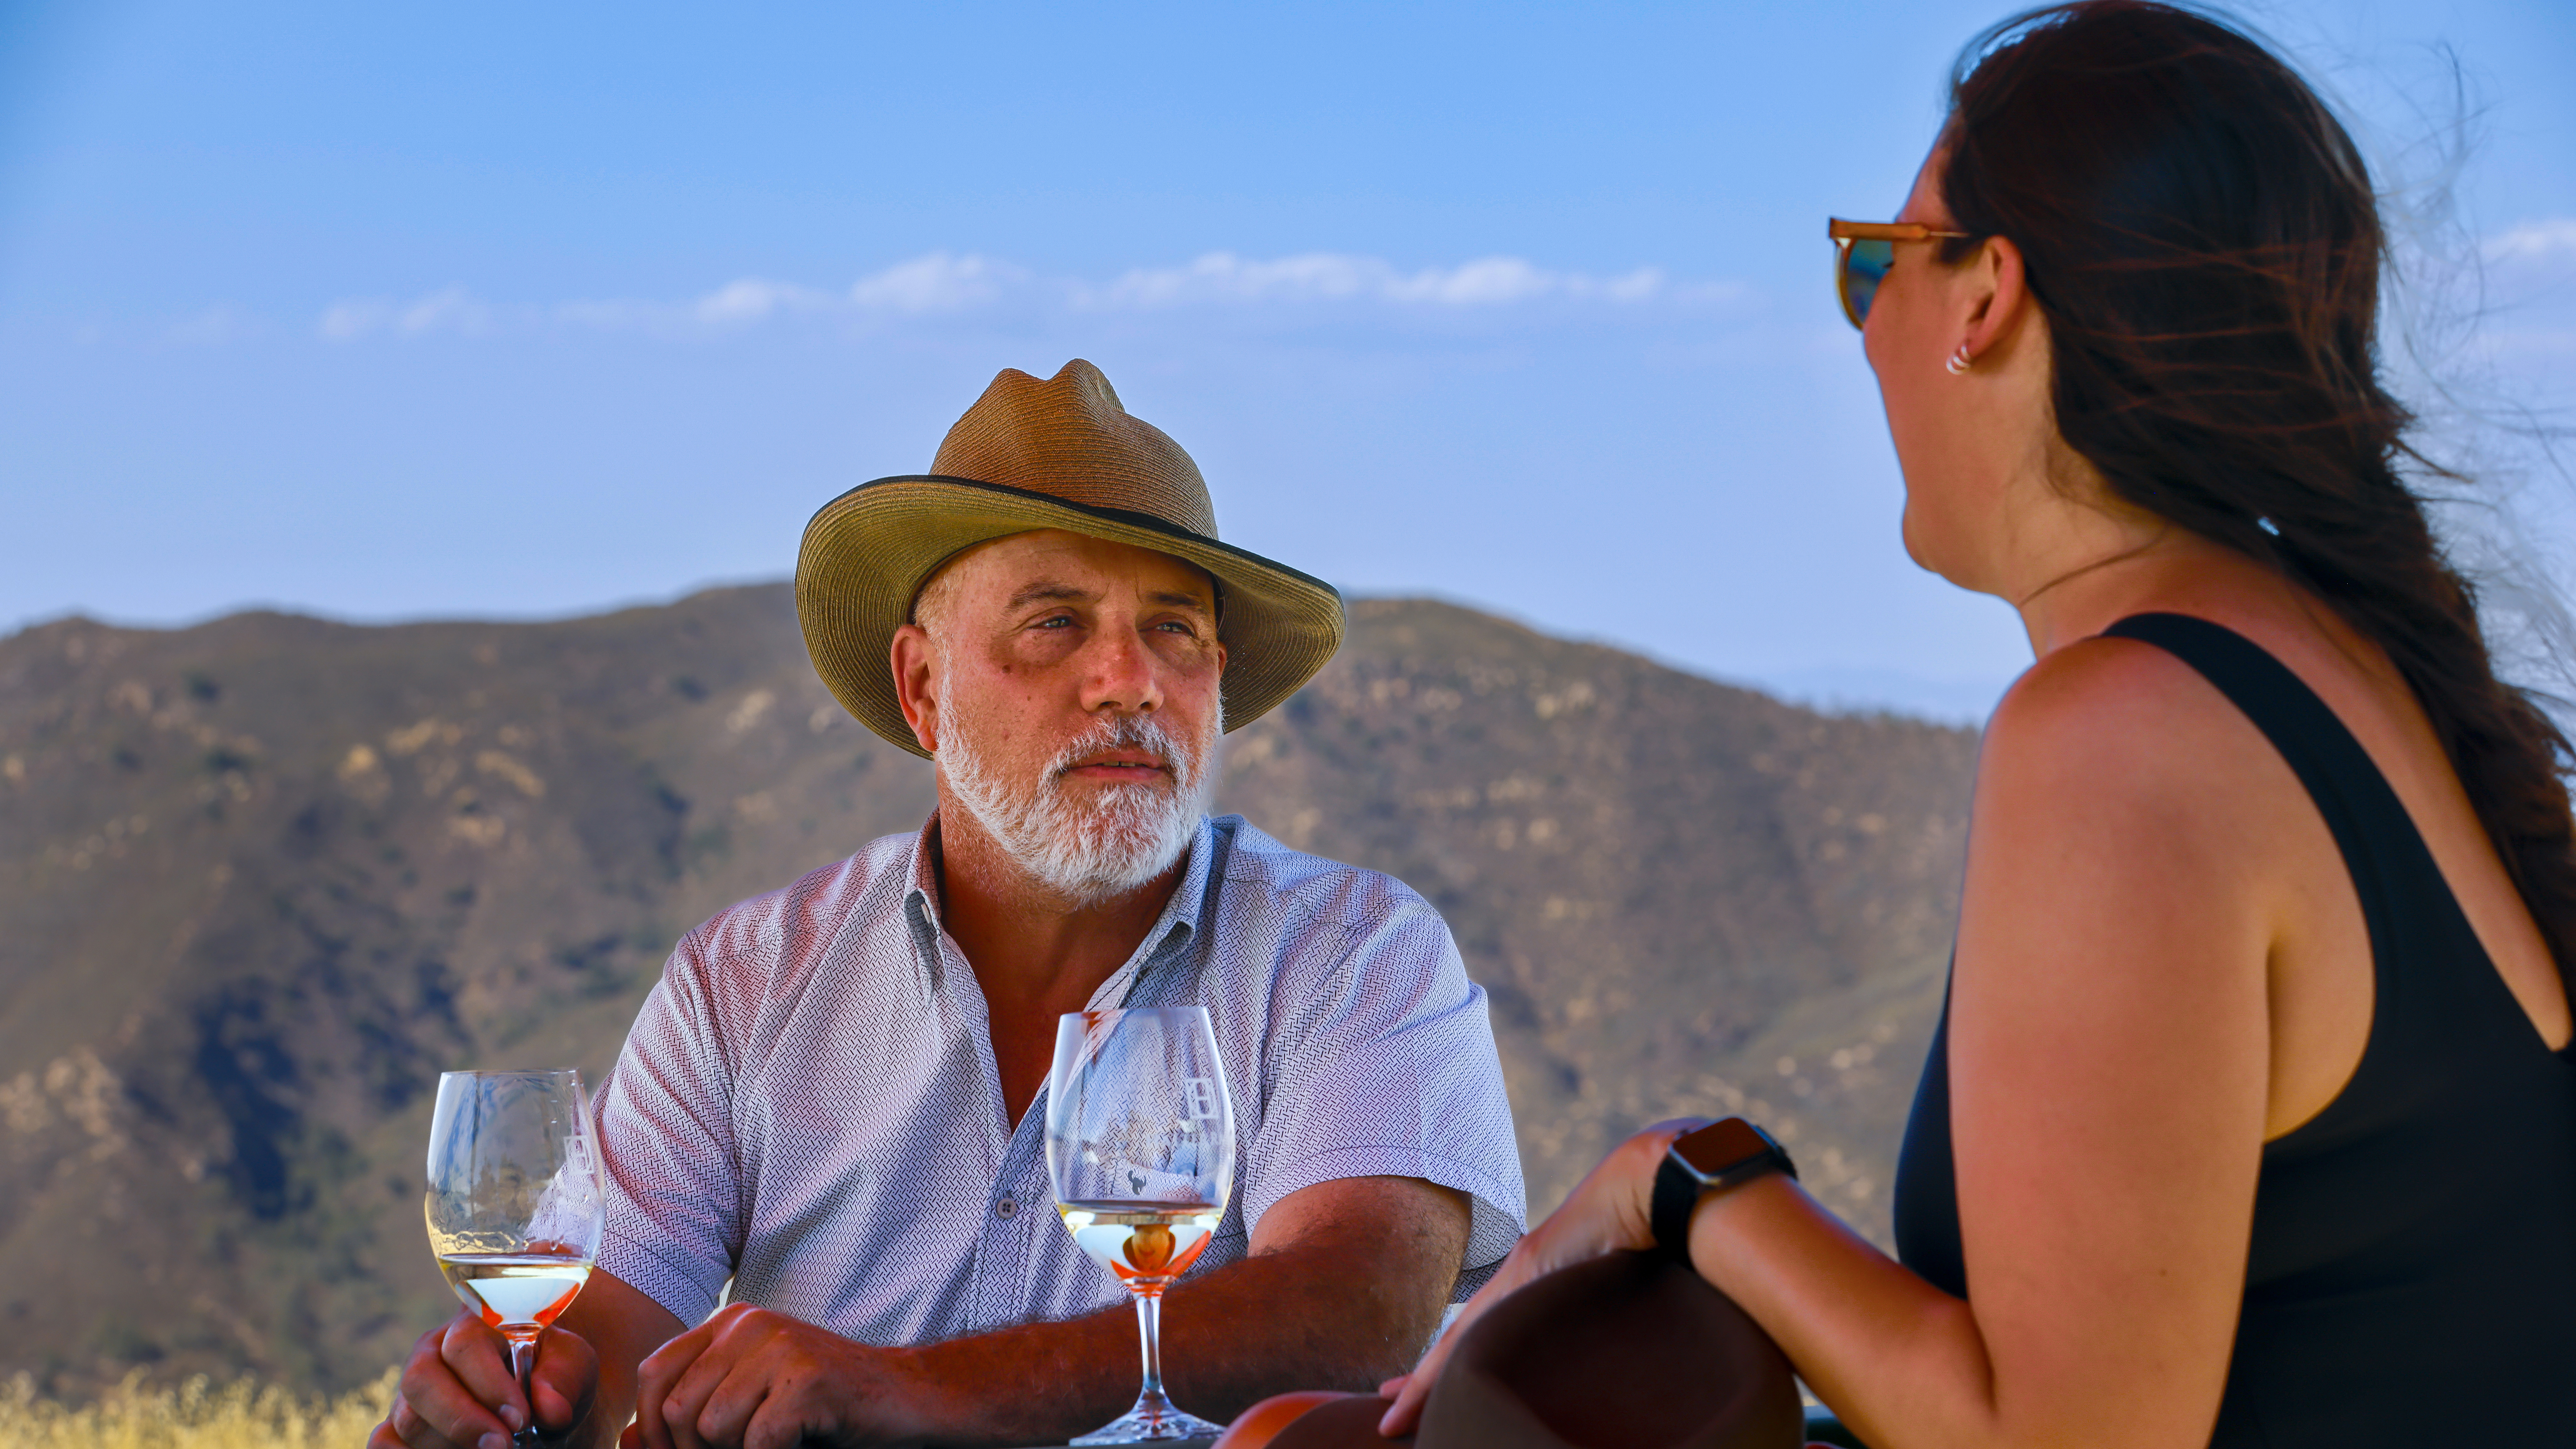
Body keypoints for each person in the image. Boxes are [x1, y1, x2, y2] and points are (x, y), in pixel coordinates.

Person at [1385, 4, 2576, 1446]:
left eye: (1869, 266)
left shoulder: (2122, 734)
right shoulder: (2337, 666)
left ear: (1984, 298)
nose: (1865, 328)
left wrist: (1689, 1191)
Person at [375, 359, 1526, 1449]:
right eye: (1054, 623)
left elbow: (1357, 1311)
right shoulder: (746, 981)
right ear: (923, 687)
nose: (1130, 679)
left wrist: (908, 1389)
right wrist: (516, 1400)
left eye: (1174, 629)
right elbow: (607, 1333)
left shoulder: (1353, 953)